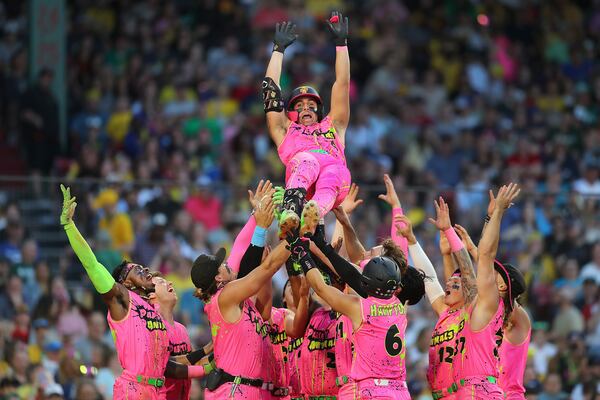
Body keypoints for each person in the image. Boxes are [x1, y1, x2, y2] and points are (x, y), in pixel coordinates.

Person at [59, 185, 205, 400]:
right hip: (133, 389)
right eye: (137, 270)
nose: (144, 270)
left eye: (144, 268)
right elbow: (92, 265)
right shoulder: (122, 299)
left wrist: (209, 363)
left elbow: (170, 366)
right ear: (125, 283)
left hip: (157, 391)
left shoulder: (156, 311)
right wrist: (69, 226)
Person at [190, 193, 295, 399]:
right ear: (219, 277)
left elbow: (239, 248)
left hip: (248, 389)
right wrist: (296, 233)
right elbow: (268, 267)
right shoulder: (225, 296)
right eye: (224, 264)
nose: (229, 263)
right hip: (234, 390)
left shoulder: (234, 298)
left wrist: (256, 215)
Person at [262, 11, 351, 238]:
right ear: (291, 113)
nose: (306, 109)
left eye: (311, 105)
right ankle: (293, 213)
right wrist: (278, 50)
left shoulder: (334, 126)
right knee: (307, 159)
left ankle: (312, 212)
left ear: (319, 110)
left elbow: (342, 84)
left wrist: (341, 45)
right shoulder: (285, 130)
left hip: (335, 183)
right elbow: (271, 93)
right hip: (302, 179)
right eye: (299, 106)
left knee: (334, 172)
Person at [427, 184, 521, 399]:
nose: (487, 274)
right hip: (472, 389)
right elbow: (460, 280)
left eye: (494, 275)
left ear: (503, 286)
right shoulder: (481, 306)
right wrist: (489, 219)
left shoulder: (492, 303)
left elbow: (484, 257)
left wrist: (497, 213)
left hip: (483, 391)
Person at [454, 220, 530, 400]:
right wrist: (472, 249)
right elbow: (483, 269)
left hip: (510, 395)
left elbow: (485, 267)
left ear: (504, 286)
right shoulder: (490, 313)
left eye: (496, 275)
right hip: (487, 392)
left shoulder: (519, 317)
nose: (490, 277)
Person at [147, 273, 215, 400]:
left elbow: (196, 362)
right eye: (161, 282)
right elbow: (166, 363)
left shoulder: (181, 329)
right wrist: (208, 348)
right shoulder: (152, 327)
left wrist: (220, 353)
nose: (170, 283)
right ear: (151, 295)